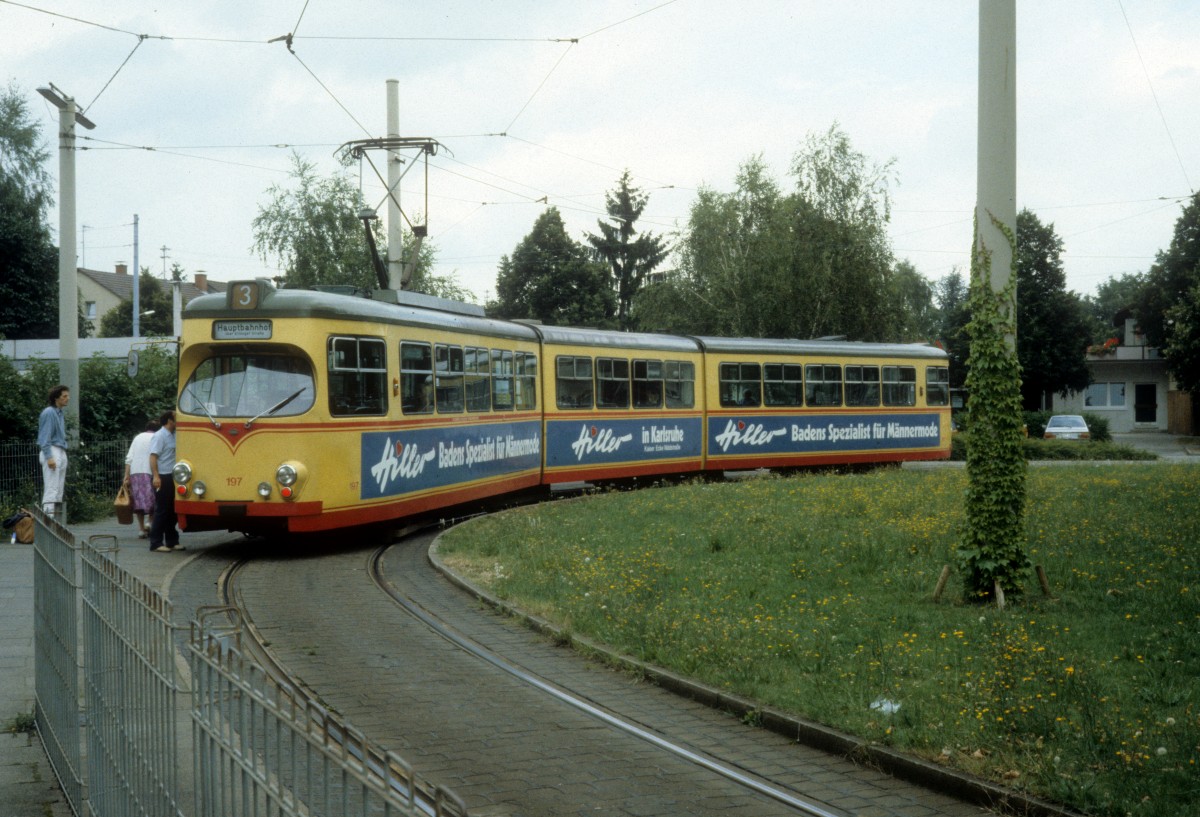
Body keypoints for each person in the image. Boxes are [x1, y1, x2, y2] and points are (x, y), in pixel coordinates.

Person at [148, 410, 180, 553]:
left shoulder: (174, 435)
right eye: (176, 418)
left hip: (172, 475)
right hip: (162, 475)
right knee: (162, 510)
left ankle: (172, 541)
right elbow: (153, 457)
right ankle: (156, 542)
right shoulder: (159, 436)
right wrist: (156, 476)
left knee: (172, 510)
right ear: (169, 421)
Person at [37, 385, 70, 521]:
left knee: (59, 490)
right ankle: (47, 522)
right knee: (51, 488)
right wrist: (49, 456)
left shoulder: (59, 412)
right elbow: (44, 437)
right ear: (56, 398)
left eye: (68, 396)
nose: (68, 398)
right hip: (52, 450)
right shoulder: (49, 412)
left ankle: (55, 522)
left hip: (61, 450)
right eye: (64, 396)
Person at [123, 420, 160, 538]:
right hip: (150, 472)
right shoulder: (157, 437)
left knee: (138, 501)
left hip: (135, 472)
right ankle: (150, 522)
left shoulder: (137, 437)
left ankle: (141, 529)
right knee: (153, 499)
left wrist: (126, 475)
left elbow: (129, 457)